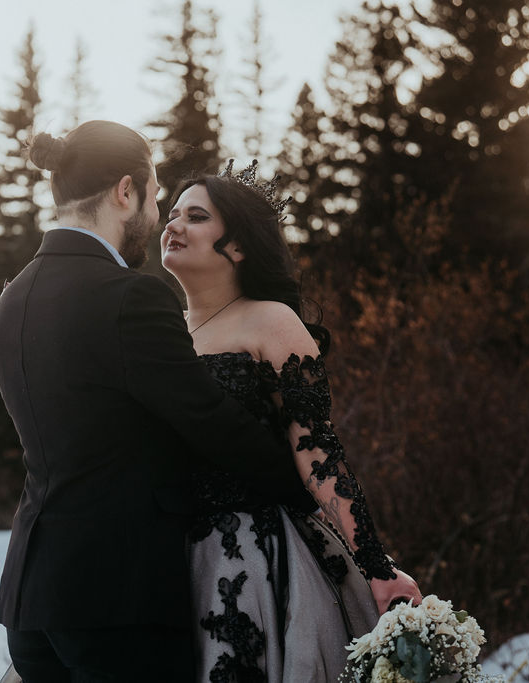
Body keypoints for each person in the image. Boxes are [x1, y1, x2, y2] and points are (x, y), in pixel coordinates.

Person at [0, 122, 319, 683]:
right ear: (125, 190)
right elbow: (209, 419)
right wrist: (308, 505)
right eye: (156, 192)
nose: (158, 211)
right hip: (116, 597)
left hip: (31, 597)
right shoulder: (129, 296)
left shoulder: (14, 296)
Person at [161, 160, 422, 682]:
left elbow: (318, 453)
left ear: (236, 246)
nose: (172, 225)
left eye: (194, 216)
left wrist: (374, 563)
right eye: (171, 214)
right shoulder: (161, 331)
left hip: (253, 561)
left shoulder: (271, 320)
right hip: (165, 556)